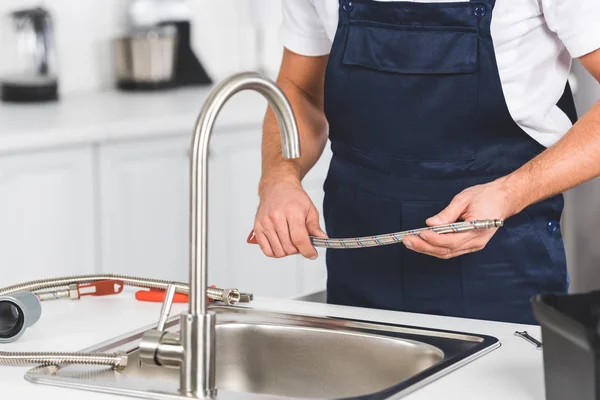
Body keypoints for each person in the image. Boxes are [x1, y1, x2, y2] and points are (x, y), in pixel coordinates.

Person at [252, 0, 600, 324]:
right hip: (358, 268)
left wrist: (511, 192)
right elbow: (299, 89)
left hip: (500, 265)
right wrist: (279, 178)